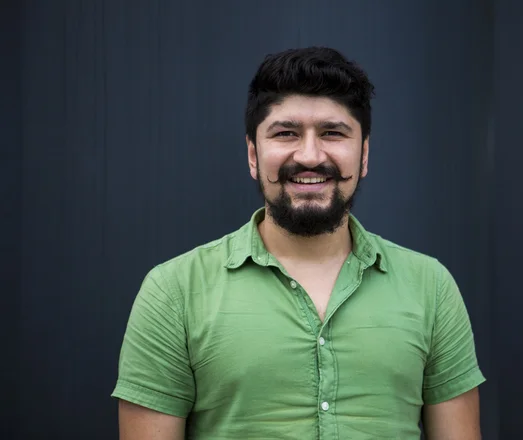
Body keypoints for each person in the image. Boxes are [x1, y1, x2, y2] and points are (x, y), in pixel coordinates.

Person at [112, 46, 486, 440]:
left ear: (364, 155)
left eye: (333, 133)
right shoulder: (173, 292)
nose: (309, 155)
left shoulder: (431, 287)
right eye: (286, 133)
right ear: (253, 155)